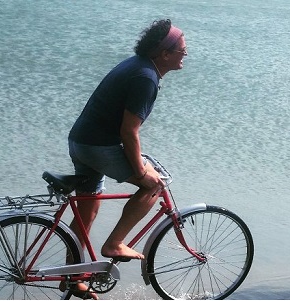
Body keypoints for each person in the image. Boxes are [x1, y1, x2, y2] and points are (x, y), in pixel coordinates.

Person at [63, 19, 187, 299]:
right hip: (98, 146)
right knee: (154, 185)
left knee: (87, 212)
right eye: (181, 50)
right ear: (164, 53)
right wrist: (141, 172)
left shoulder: (138, 65)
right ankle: (115, 244)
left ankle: (72, 279)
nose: (185, 55)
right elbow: (129, 132)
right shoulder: (146, 78)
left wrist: (137, 164)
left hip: (81, 141)